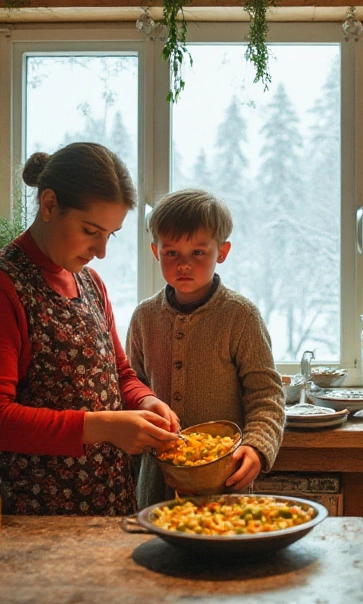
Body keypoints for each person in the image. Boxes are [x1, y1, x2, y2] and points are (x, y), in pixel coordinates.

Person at [0, 143, 179, 516]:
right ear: (48, 205)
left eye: (111, 234)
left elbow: (119, 374)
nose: (102, 250)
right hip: (34, 514)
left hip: (106, 504)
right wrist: (104, 426)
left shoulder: (90, 283)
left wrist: (145, 401)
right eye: (91, 230)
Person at [127, 189, 285, 508]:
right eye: (172, 253)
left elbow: (266, 394)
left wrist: (256, 446)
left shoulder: (240, 316)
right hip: (156, 484)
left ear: (222, 252)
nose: (184, 264)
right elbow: (132, 386)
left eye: (198, 253)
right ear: (155, 252)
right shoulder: (144, 317)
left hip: (225, 482)